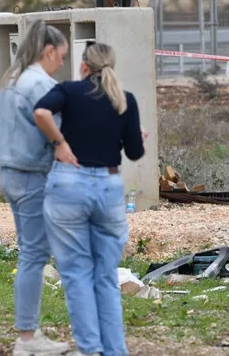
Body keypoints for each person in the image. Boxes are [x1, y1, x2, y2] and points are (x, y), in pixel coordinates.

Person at [33, 42, 146, 356]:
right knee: (105, 276)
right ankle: (115, 350)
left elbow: (41, 112)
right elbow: (134, 152)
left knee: (76, 273)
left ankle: (90, 349)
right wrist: (137, 136)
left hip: (69, 183)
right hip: (108, 186)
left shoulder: (68, 91)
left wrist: (59, 142)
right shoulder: (125, 99)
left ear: (84, 66)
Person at [0, 20, 71, 356]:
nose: (62, 64)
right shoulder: (41, 84)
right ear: (49, 51)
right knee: (34, 255)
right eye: (61, 56)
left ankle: (30, 334)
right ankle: (27, 338)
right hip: (32, 176)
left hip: (10, 173)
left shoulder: (11, 80)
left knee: (33, 250)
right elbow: (58, 127)